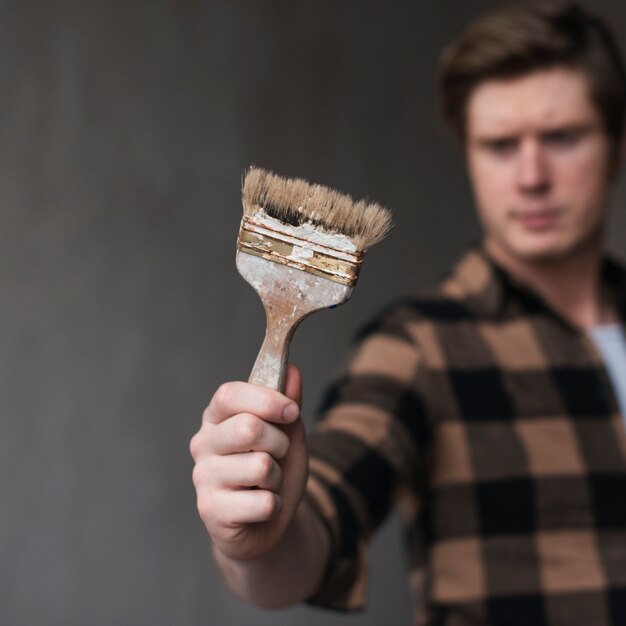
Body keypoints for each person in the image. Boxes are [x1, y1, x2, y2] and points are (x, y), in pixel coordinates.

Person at [189, 3, 626, 624]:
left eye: (562, 138)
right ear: (469, 156)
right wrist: (257, 546)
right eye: (500, 146)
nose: (531, 176)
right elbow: (317, 526)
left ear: (615, 146)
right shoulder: (417, 347)